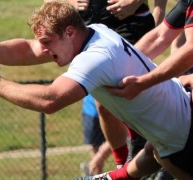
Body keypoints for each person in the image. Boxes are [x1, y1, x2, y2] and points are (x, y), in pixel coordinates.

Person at [0, 1, 193, 179]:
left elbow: (51, 100)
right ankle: (117, 174)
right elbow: (30, 48)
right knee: (154, 155)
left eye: (48, 42)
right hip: (175, 132)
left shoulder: (95, 57)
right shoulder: (95, 32)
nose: (45, 50)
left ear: (69, 32)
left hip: (184, 141)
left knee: (161, 156)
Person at [47, 0, 167, 175]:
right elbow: (49, 3)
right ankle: (126, 163)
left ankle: (157, 155)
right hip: (88, 29)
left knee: (128, 90)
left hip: (131, 26)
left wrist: (137, 3)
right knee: (103, 103)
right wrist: (70, 2)